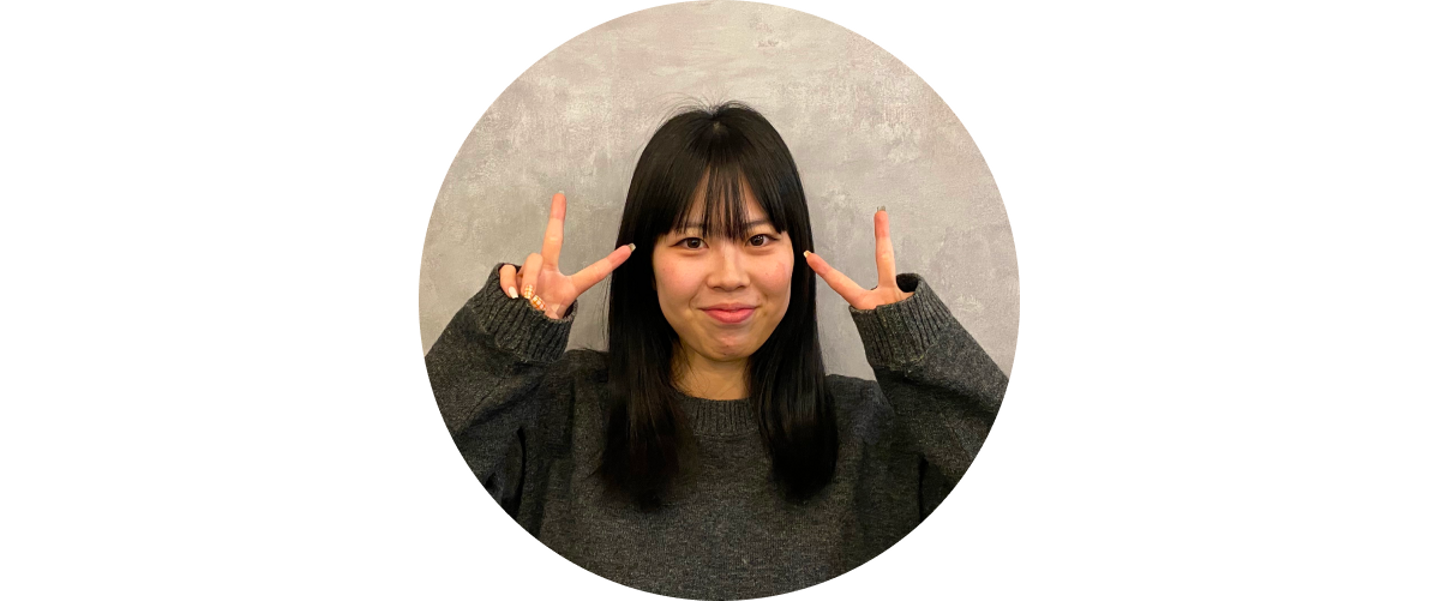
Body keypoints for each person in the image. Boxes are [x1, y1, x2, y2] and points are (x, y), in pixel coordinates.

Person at [424, 101, 1008, 599]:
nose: (729, 276)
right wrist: (511, 339)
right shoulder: (556, 413)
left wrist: (910, 342)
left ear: (797, 256)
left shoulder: (881, 432)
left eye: (758, 238)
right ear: (646, 262)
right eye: (692, 241)